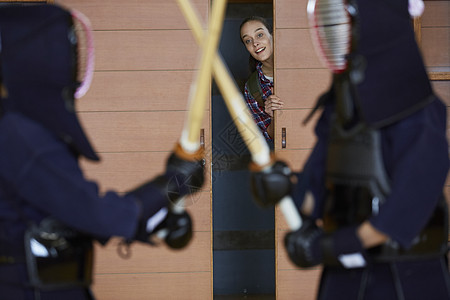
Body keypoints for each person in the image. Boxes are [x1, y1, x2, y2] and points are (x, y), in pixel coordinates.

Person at [0, 4, 204, 300]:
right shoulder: (19, 134)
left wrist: (154, 216)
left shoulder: (16, 129)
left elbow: (66, 215)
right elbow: (96, 214)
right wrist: (173, 183)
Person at [252, 0, 450, 299]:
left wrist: (331, 246)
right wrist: (283, 185)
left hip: (407, 278)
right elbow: (313, 195)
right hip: (344, 277)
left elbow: (404, 213)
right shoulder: (340, 109)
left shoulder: (420, 113)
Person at [240, 16, 284, 145]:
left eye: (259, 35)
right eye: (248, 41)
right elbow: (270, 135)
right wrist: (273, 115)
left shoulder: (298, 64)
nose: (255, 43)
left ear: (272, 34)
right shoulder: (252, 88)